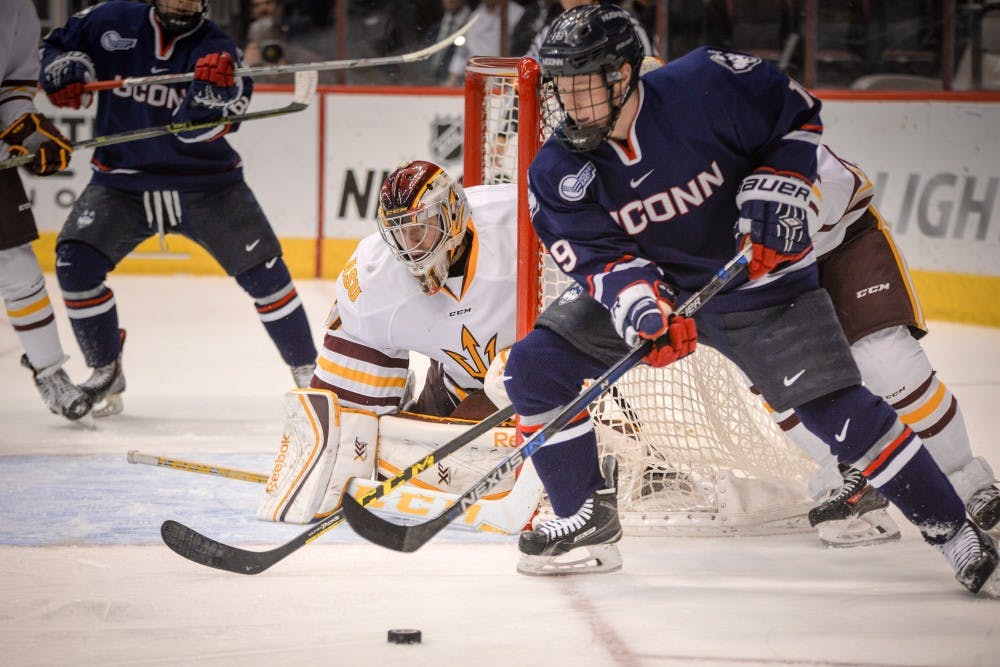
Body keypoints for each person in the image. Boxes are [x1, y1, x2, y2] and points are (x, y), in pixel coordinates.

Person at [498, 5, 998, 595]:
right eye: (561, 88)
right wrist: (641, 308)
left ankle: (952, 530)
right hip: (664, 286)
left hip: (762, 291)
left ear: (624, 75)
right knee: (534, 366)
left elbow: (795, 114)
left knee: (840, 410)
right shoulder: (558, 168)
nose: (568, 104)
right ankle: (583, 515)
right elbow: (599, 258)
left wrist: (780, 191)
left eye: (582, 87)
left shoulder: (705, 85)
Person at [39, 0, 317, 416]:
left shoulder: (219, 50)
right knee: (75, 265)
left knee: (268, 277)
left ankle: (312, 373)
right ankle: (106, 367)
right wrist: (63, 66)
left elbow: (205, 131)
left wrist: (206, 102)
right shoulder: (107, 19)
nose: (182, 2)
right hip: (122, 182)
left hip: (206, 185)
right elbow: (51, 47)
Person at [255, 160, 524, 523]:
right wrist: (322, 459)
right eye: (399, 233)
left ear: (454, 215)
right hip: (455, 386)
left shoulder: (517, 222)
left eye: (421, 230)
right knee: (396, 467)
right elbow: (342, 401)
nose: (409, 247)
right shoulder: (376, 276)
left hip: (539, 381)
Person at [0, 0, 91, 422]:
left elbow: (12, 88)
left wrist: (24, 128)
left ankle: (50, 371)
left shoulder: (16, 9)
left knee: (17, 266)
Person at [443, 0, 526, 87]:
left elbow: (521, 51)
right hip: (474, 83)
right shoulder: (474, 16)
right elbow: (462, 53)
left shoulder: (517, 14)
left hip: (504, 84)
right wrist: (452, 79)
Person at [425, 0, 473, 85]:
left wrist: (452, 80)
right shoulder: (435, 28)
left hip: (458, 85)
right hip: (432, 84)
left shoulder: (472, 23)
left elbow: (463, 56)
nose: (450, 0)